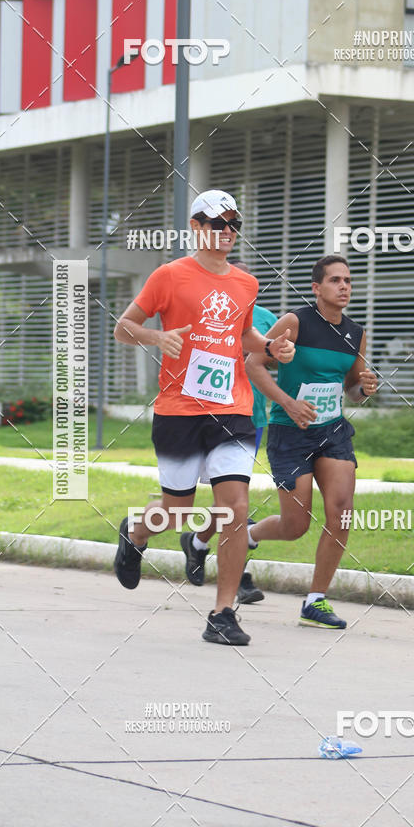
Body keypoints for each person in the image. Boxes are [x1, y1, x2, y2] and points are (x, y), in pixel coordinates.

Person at [112, 189, 295, 646]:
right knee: (177, 510)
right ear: (195, 227)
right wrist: (157, 338)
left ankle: (222, 614)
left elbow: (244, 335)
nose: (226, 232)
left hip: (232, 408)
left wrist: (270, 348)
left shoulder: (246, 283)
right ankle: (135, 535)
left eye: (233, 224)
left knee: (235, 509)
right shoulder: (169, 276)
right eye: (217, 223)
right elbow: (123, 327)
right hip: (178, 410)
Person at [243, 255, 378, 629]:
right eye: (335, 280)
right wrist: (286, 402)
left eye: (348, 280)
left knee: (342, 511)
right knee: (295, 525)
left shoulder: (355, 332)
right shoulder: (295, 322)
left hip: (332, 431)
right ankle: (249, 536)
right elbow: (253, 364)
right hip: (290, 431)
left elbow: (352, 388)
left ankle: (315, 601)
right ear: (317, 288)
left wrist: (364, 389)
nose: (344, 286)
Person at [180, 259, 277, 605]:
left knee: (234, 502)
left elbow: (276, 360)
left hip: (252, 419)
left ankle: (199, 544)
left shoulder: (266, 320)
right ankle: (234, 573)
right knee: (232, 503)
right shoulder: (203, 313)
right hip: (209, 417)